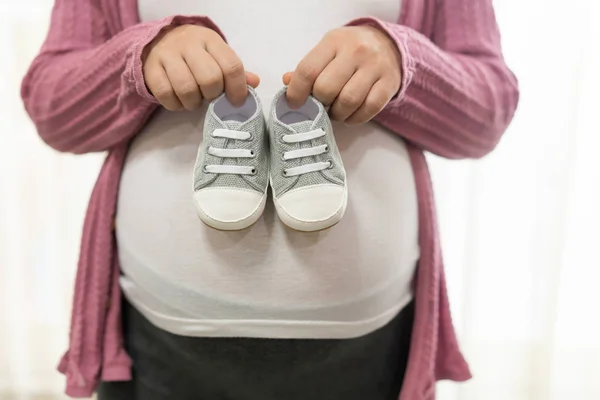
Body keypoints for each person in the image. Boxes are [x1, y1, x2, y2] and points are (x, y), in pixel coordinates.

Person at [21, 0, 519, 398]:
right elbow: (52, 108)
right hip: (156, 339)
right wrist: (137, 61)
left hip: (373, 346)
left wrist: (402, 60)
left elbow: (487, 113)